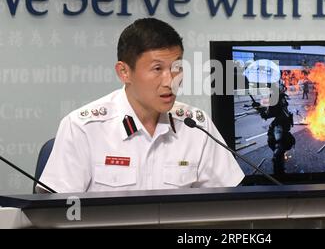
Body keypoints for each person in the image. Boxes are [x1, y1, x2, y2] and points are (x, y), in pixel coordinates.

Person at [37, 18, 244, 193]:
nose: (169, 80)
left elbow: (228, 203)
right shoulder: (83, 127)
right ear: (124, 72)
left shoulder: (195, 124)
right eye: (157, 69)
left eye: (177, 67)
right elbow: (57, 214)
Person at [252, 81, 295, 175]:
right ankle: (279, 173)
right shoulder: (281, 97)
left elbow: (269, 113)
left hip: (281, 125)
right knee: (279, 148)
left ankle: (279, 171)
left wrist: (259, 109)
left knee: (280, 148)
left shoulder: (279, 97)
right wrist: (259, 108)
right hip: (280, 126)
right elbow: (271, 112)